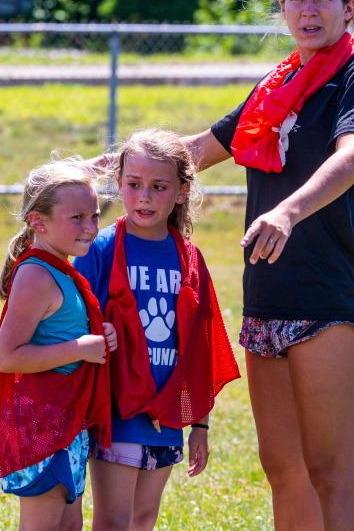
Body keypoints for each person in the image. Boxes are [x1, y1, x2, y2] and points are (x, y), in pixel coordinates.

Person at [180, 0, 354, 530]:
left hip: (330, 296)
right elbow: (201, 150)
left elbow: (351, 157)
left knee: (329, 467)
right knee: (283, 466)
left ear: (349, 8)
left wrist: (288, 211)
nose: (308, 9)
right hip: (266, 293)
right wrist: (116, 169)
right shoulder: (275, 86)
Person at [74, 129, 240, 531]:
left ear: (182, 191)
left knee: (144, 518)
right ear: (119, 184)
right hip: (116, 410)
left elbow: (201, 348)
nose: (144, 197)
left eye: (158, 187)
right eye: (133, 185)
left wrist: (198, 423)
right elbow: (74, 322)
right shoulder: (101, 249)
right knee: (114, 520)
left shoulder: (189, 257)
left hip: (166, 416)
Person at [0, 159, 118, 531]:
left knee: (68, 526)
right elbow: (8, 356)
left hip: (64, 421)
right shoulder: (36, 274)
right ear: (38, 222)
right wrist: (79, 348)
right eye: (77, 217)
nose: (91, 227)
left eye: (94, 216)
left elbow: (62, 330)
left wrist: (99, 337)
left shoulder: (60, 268)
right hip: (41, 424)